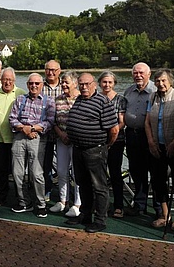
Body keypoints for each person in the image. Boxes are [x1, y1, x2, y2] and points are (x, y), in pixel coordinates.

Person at [65, 73, 119, 233]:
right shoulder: (79, 99)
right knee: (82, 183)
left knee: (99, 186)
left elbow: (114, 130)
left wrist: (105, 145)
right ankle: (85, 214)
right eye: (81, 84)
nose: (84, 87)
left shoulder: (103, 102)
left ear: (94, 84)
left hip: (95, 149)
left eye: (87, 84)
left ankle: (100, 220)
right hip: (78, 149)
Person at [145, 69, 174, 231]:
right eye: (157, 81)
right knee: (157, 180)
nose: (160, 84)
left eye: (163, 80)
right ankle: (165, 214)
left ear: (170, 81)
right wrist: (151, 141)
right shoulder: (152, 97)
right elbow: (147, 121)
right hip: (157, 146)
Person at [9, 73, 55, 217]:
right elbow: (12, 119)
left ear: (42, 85)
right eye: (31, 83)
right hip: (19, 137)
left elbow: (50, 122)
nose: (33, 86)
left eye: (37, 83)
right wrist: (24, 129)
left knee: (37, 174)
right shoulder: (20, 99)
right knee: (17, 173)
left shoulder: (48, 101)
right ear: (27, 85)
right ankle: (24, 202)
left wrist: (33, 129)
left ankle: (41, 204)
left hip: (37, 138)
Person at [0, 67, 26, 206]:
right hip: (0, 139)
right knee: (1, 170)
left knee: (18, 171)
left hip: (17, 139)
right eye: (5, 79)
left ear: (14, 80)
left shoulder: (21, 94)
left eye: (10, 80)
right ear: (1, 80)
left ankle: (19, 197)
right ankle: (2, 196)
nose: (7, 82)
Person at [123, 62, 157, 216]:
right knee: (136, 171)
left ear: (149, 74)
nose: (138, 76)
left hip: (150, 136)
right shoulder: (128, 91)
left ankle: (158, 207)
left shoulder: (156, 91)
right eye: (135, 73)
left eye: (141, 73)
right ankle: (139, 204)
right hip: (131, 134)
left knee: (155, 171)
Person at [50, 71, 82, 218]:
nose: (63, 85)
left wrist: (72, 135)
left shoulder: (81, 99)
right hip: (62, 140)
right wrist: (61, 134)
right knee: (62, 171)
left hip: (77, 141)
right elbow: (54, 120)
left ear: (75, 83)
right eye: (62, 82)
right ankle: (63, 201)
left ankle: (77, 203)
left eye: (66, 82)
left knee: (77, 173)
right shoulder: (57, 100)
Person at [98, 71, 127, 219]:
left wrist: (112, 133)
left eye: (110, 82)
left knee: (115, 174)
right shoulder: (96, 98)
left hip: (116, 141)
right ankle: (101, 206)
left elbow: (122, 121)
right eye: (104, 82)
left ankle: (118, 206)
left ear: (114, 83)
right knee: (99, 175)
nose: (107, 85)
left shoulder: (120, 99)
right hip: (99, 141)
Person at [41, 60, 62, 203]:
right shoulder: (39, 85)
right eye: (48, 69)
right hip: (45, 134)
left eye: (54, 70)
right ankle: (46, 190)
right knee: (45, 164)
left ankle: (64, 194)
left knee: (63, 166)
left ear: (59, 70)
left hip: (62, 134)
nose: (51, 72)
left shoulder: (67, 85)